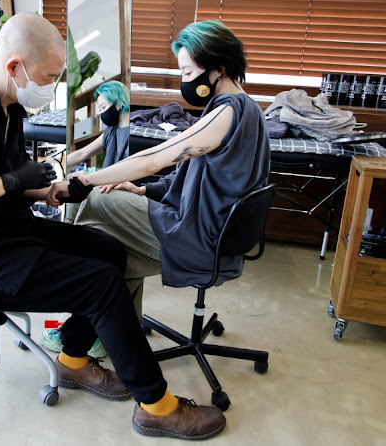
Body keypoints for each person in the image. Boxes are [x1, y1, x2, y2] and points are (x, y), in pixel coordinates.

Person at [0, 12, 226, 440]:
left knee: (109, 251)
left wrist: (43, 193)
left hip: (3, 230)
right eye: (48, 77)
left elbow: (4, 190)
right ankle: (157, 406)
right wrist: (13, 180)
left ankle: (72, 362)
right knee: (100, 285)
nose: (51, 87)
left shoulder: (8, 108)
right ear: (15, 67)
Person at [47, 18, 270, 305]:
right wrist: (144, 190)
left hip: (198, 237)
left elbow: (152, 160)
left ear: (219, 68)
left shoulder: (229, 112)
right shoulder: (248, 109)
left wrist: (84, 181)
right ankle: (108, 337)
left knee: (95, 202)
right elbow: (191, 175)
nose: (185, 81)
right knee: (112, 254)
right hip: (212, 231)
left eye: (188, 72)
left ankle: (67, 301)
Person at [42, 80, 132, 358]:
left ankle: (71, 232)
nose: (102, 112)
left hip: (123, 195)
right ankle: (69, 230)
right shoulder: (111, 131)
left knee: (82, 192)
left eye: (105, 107)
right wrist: (51, 164)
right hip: (106, 190)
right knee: (75, 181)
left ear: (120, 103)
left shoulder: (131, 133)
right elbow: (80, 153)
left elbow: (129, 174)